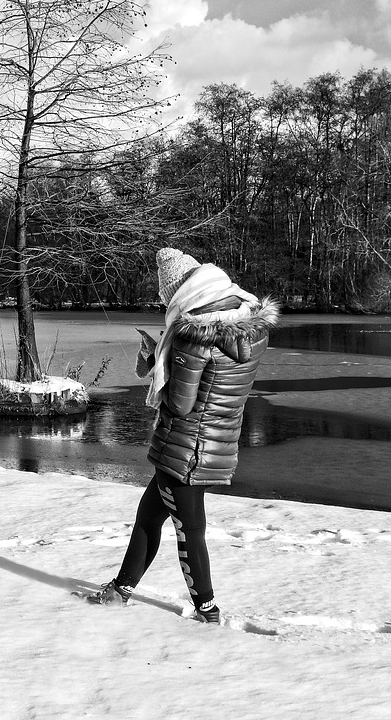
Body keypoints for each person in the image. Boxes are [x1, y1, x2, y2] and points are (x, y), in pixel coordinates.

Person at [89, 247, 279, 624]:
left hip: (185, 450)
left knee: (190, 531)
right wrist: (165, 352)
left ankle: (207, 611)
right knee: (149, 515)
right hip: (215, 441)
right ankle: (120, 590)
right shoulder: (251, 328)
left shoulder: (194, 340)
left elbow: (179, 405)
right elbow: (215, 384)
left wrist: (161, 356)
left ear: (182, 293)